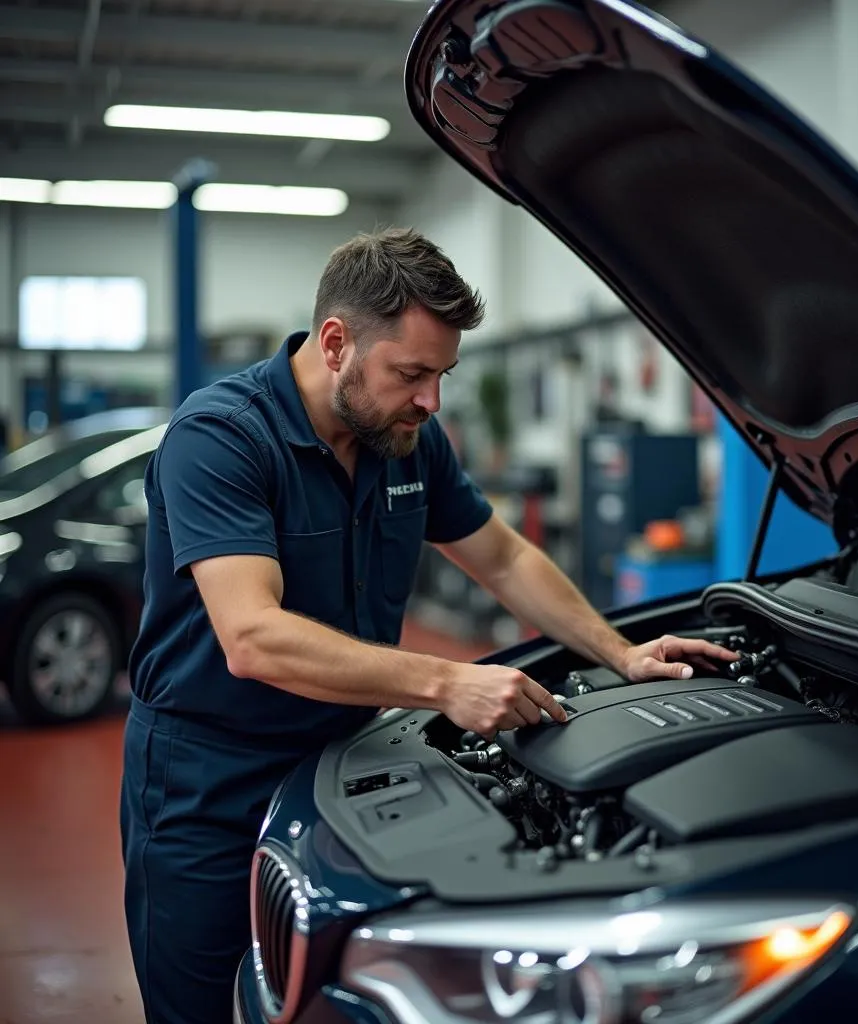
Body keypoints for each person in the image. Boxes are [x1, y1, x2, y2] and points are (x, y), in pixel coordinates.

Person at [119, 227, 739, 1024]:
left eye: (443, 375)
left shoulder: (406, 438)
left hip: (341, 766)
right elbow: (252, 637)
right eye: (411, 373)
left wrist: (619, 652)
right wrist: (446, 681)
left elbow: (504, 560)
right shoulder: (220, 438)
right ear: (336, 342)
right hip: (207, 781)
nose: (431, 400)